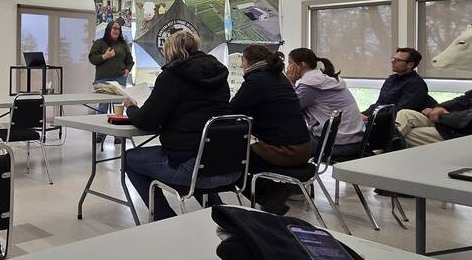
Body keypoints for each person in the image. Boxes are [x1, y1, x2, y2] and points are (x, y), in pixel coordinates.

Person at [123, 31, 236, 220]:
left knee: (129, 158)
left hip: (191, 167)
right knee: (198, 153)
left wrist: (131, 108)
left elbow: (147, 121)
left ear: (170, 50)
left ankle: (164, 217)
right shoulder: (219, 75)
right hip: (226, 163)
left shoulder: (171, 76)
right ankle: (218, 209)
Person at [229, 45, 312, 214]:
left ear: (250, 62)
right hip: (304, 149)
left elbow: (232, 110)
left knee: (228, 158)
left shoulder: (257, 80)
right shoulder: (278, 77)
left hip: (286, 153)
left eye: (242, 60)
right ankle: (271, 193)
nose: (241, 65)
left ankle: (268, 196)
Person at [285, 48, 364, 158]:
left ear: (302, 65)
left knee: (284, 137)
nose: (287, 68)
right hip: (354, 140)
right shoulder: (326, 80)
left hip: (337, 145)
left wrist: (290, 82)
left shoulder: (310, 85)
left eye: (290, 63)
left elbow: (287, 109)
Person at [362, 47, 435, 121]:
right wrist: (362, 114)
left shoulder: (416, 84)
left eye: (398, 60)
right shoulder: (391, 79)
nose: (392, 62)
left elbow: (400, 112)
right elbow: (379, 105)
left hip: (398, 121)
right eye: (393, 58)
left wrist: (369, 118)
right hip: (380, 119)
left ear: (410, 65)